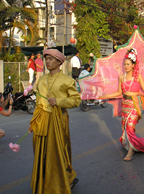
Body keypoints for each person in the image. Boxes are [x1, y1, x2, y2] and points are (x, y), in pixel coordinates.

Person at [28, 48, 81, 193]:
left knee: (58, 152)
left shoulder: (67, 80)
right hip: (42, 119)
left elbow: (76, 100)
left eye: (51, 59)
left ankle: (63, 179)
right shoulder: (42, 80)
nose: (47, 62)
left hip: (59, 119)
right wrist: (33, 122)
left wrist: (58, 101)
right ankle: (44, 181)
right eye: (46, 59)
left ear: (59, 62)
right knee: (41, 152)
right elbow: (39, 104)